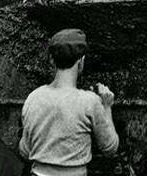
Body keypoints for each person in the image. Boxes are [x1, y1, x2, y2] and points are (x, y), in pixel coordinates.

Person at [19, 28, 119, 175]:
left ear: (51, 60)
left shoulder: (33, 98)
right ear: (81, 61)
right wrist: (107, 107)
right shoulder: (90, 101)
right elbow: (110, 148)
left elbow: (25, 152)